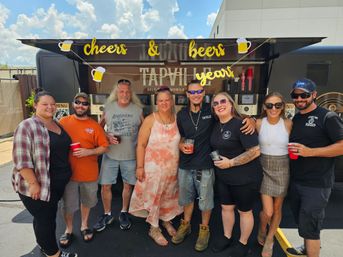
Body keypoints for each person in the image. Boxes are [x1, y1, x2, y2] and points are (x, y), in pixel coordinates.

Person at [172, 80, 255, 252]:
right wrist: (181, 145)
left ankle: (204, 230)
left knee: (206, 201)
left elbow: (233, 119)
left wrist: (251, 119)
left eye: (199, 92)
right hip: (186, 164)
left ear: (203, 93)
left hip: (206, 165)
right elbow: (180, 137)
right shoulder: (181, 115)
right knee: (187, 199)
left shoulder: (211, 111)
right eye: (192, 92)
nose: (196, 95)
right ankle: (185, 225)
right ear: (187, 95)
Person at [12, 90, 77, 257]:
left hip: (56, 183)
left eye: (53, 104)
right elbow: (22, 160)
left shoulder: (56, 124)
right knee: (46, 221)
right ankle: (53, 253)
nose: (50, 107)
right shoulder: (27, 126)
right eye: (45, 104)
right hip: (39, 186)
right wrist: (34, 184)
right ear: (35, 105)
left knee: (43, 218)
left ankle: (43, 245)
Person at [285, 78, 343, 257]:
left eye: (305, 95)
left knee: (311, 226)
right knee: (303, 222)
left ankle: (312, 251)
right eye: (296, 95)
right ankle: (306, 248)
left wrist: (311, 152)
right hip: (297, 180)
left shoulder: (327, 116)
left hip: (317, 183)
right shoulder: (297, 117)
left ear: (314, 95)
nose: (300, 99)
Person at [210, 92, 262, 257]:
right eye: (215, 103)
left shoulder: (241, 124)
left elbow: (255, 151)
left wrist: (230, 163)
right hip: (224, 178)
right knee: (226, 208)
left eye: (223, 101)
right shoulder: (216, 125)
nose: (219, 105)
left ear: (231, 104)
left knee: (244, 211)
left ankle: (243, 242)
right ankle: (227, 236)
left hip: (244, 179)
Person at [129, 86, 183, 246]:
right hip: (153, 170)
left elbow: (179, 140)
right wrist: (139, 167)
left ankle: (166, 221)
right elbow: (141, 145)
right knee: (155, 196)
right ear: (156, 102)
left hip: (173, 169)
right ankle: (154, 228)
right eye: (161, 101)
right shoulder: (150, 120)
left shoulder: (177, 118)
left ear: (172, 101)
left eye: (167, 100)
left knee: (169, 196)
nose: (164, 103)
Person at [58, 93, 108, 247]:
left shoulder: (94, 125)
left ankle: (84, 225)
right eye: (77, 102)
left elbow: (104, 147)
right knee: (68, 204)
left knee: (87, 201)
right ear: (73, 104)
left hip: (89, 173)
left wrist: (89, 152)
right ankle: (68, 229)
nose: (80, 106)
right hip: (69, 174)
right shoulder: (63, 122)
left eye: (84, 103)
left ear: (88, 106)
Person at [93, 79, 143, 232]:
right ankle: (107, 214)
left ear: (131, 93)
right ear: (116, 92)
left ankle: (124, 212)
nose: (125, 94)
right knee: (105, 186)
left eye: (127, 92)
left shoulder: (138, 110)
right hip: (110, 155)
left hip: (131, 156)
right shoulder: (108, 108)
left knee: (128, 185)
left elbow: (144, 131)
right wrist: (107, 136)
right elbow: (98, 128)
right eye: (121, 91)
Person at [255, 92, 292, 257]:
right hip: (263, 167)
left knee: (277, 208)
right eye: (269, 105)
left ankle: (270, 238)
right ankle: (262, 227)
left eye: (278, 105)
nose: (273, 108)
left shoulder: (288, 123)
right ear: (264, 106)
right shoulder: (258, 123)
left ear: (282, 106)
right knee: (268, 211)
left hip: (282, 167)